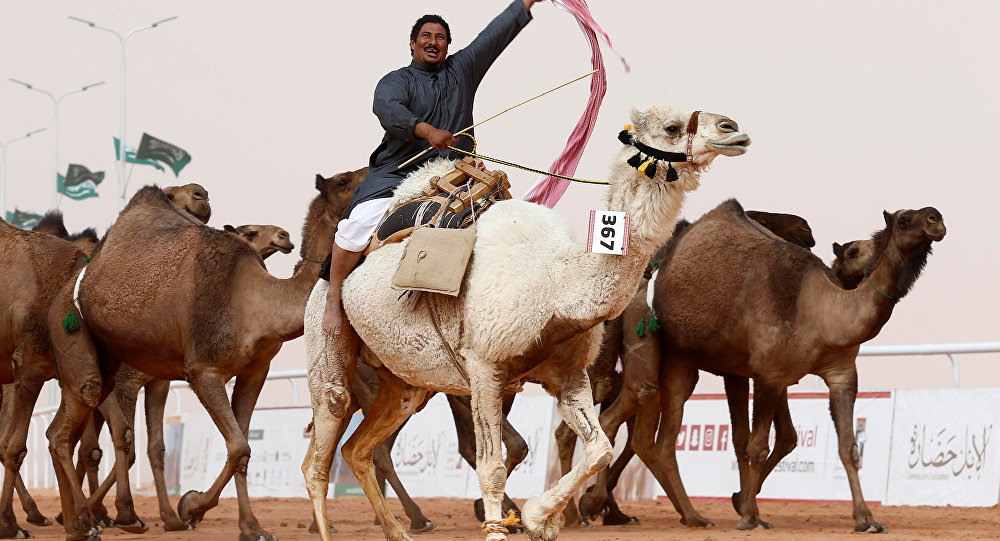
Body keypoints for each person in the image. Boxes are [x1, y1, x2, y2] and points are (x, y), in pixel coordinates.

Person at [323, 0, 543, 336]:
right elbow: (387, 108)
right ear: (412, 43)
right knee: (358, 226)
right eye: (426, 35)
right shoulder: (396, 81)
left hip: (457, 174)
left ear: (447, 45)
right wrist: (427, 132)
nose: (433, 41)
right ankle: (334, 298)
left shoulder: (463, 69)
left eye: (440, 37)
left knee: (508, 225)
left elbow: (494, 34)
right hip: (399, 172)